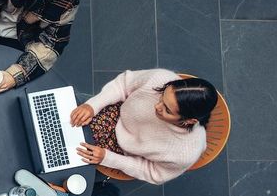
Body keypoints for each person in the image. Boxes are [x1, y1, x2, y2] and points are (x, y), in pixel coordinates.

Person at [70, 69, 219, 185]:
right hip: (116, 110)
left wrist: (108, 158)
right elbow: (123, 85)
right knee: (64, 116)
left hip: (121, 150)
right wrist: (92, 106)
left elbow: (152, 172)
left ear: (189, 121)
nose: (156, 106)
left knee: (71, 166)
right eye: (162, 97)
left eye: (167, 110)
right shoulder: (161, 78)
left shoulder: (185, 153)